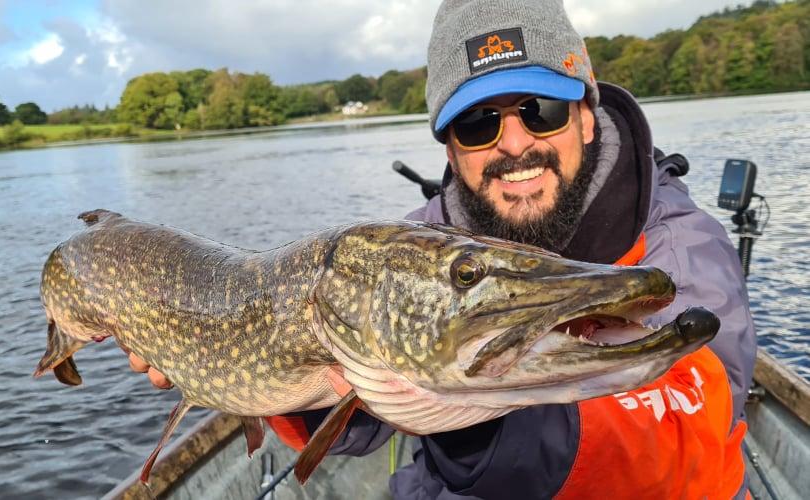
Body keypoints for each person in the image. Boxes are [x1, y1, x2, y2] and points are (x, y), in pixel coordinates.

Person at [128, 0, 757, 497]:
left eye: (540, 110)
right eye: (478, 123)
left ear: (586, 114)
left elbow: (694, 438)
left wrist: (488, 422)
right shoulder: (411, 245)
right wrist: (260, 383)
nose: (514, 143)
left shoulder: (679, 241)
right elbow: (359, 416)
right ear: (449, 146)